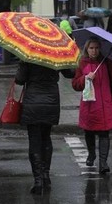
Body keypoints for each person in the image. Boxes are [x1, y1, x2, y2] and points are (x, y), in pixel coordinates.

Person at [14, 61, 74, 195]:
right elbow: (70, 74)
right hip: (51, 101)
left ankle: (38, 181)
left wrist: (22, 64)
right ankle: (46, 176)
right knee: (46, 137)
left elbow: (19, 79)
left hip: (33, 102)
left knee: (34, 140)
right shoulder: (56, 54)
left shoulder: (28, 56)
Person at [72, 38, 112, 174]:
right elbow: (75, 85)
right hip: (89, 105)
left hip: (105, 105)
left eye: (96, 48)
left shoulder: (107, 63)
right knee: (88, 131)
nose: (94, 51)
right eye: (91, 48)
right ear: (86, 49)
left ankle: (103, 162)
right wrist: (85, 78)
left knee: (104, 133)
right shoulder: (81, 63)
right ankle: (91, 154)